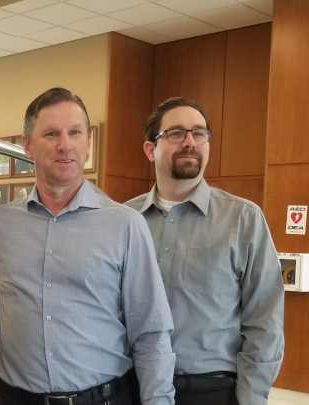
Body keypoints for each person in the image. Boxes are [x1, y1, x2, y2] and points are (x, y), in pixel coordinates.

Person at [0, 87, 176, 405]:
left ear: (89, 142)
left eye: (75, 132)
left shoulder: (125, 225)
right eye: (51, 133)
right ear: (27, 145)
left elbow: (151, 333)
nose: (64, 145)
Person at [124, 97, 284, 405]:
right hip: (132, 388)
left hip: (212, 393)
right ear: (150, 149)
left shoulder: (243, 219)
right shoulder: (123, 221)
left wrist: (251, 397)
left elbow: (265, 320)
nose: (189, 142)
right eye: (176, 133)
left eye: (199, 133)